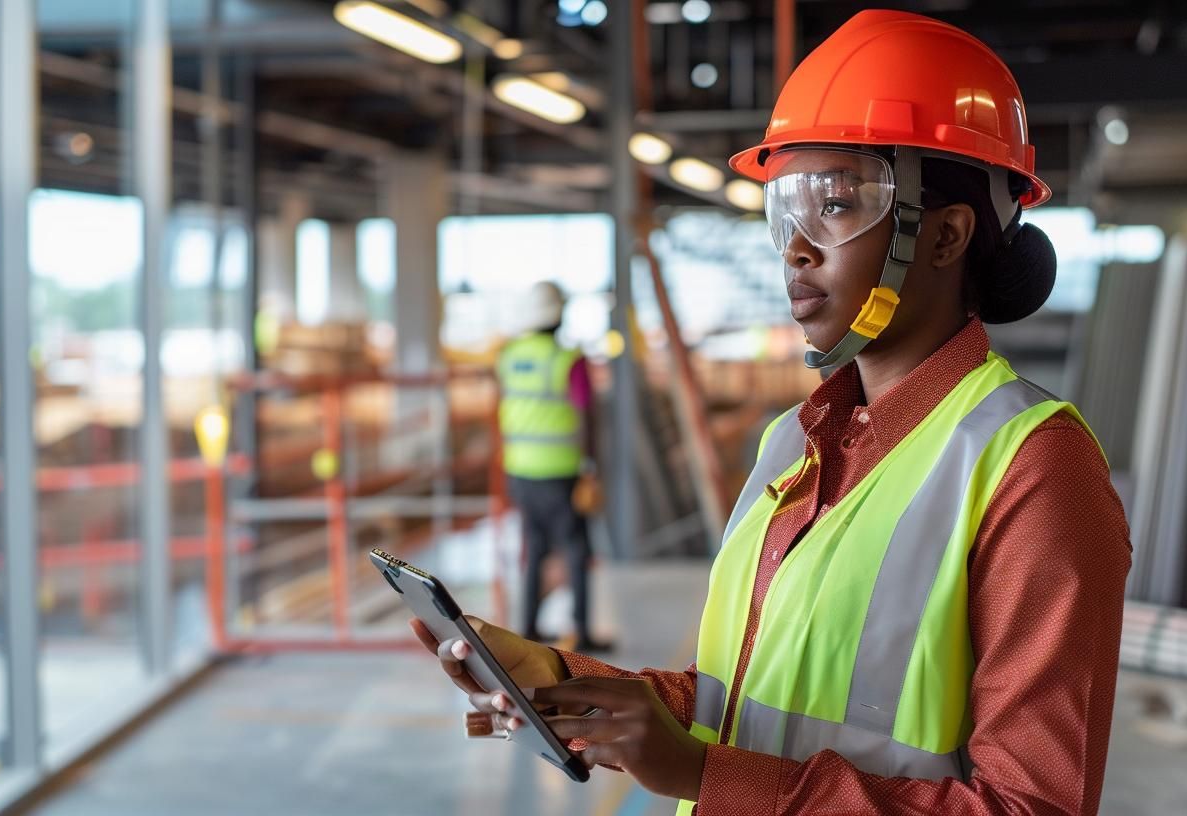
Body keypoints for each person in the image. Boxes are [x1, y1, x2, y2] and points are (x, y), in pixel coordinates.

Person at [413, 10, 1130, 814]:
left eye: (837, 202)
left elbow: (1031, 806)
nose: (794, 245)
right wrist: (563, 680)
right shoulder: (793, 440)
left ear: (945, 236)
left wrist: (702, 776)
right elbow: (742, 703)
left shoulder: (1033, 468)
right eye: (783, 207)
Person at [496, 281, 606, 651]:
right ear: (559, 315)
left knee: (536, 548)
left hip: (521, 472)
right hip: (561, 472)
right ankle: (582, 630)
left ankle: (528, 627)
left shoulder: (510, 356)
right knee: (576, 550)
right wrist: (591, 465)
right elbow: (586, 414)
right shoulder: (568, 359)